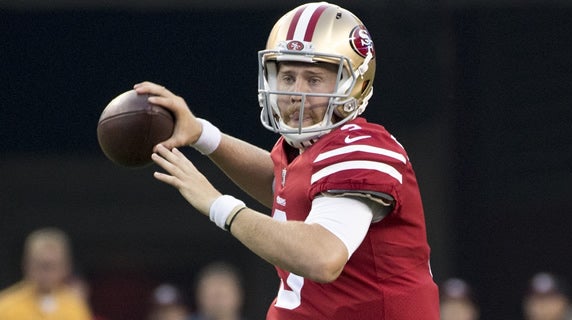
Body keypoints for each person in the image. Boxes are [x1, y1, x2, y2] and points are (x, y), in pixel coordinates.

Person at [133, 2, 440, 319]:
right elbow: (283, 187)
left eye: (314, 79)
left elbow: (322, 256)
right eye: (288, 77)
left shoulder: (362, 149)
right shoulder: (303, 150)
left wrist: (218, 206)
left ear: (354, 86)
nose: (297, 92)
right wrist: (202, 135)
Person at [0, 227, 92, 320]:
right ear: (27, 264)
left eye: (53, 266)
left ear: (65, 267)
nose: (46, 273)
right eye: (41, 265)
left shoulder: (74, 305)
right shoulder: (6, 305)